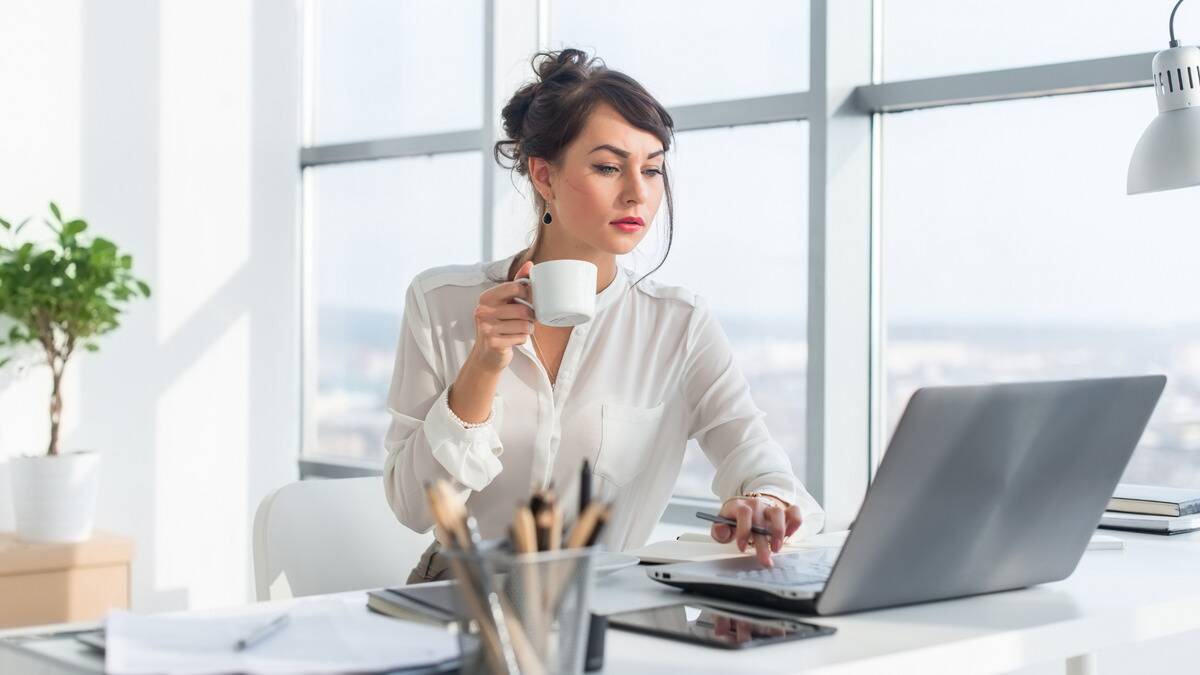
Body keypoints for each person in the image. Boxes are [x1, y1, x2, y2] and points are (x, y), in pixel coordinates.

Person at [383, 49, 824, 584]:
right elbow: (413, 507)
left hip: (608, 607)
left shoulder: (678, 324)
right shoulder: (441, 302)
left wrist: (764, 501)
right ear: (544, 176)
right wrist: (483, 366)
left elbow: (760, 461)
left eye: (654, 168)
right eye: (609, 167)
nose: (638, 192)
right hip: (462, 604)